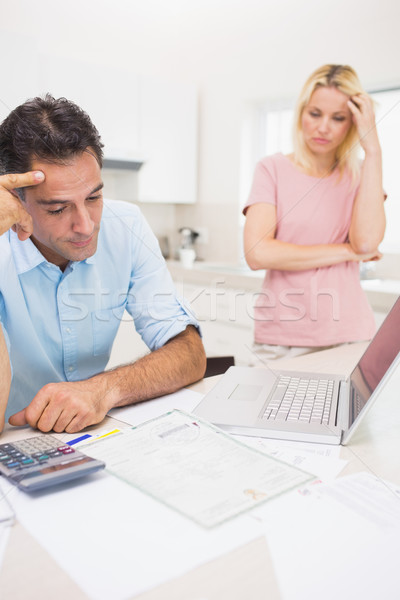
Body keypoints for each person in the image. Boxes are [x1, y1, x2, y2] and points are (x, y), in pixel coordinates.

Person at [0, 94, 206, 434]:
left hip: (90, 436)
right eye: (58, 208)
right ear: (15, 200)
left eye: (93, 197)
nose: (86, 225)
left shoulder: (126, 225)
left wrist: (103, 389)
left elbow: (189, 353)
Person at [243, 64, 386, 362]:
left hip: (351, 335)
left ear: (353, 123)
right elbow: (258, 253)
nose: (323, 128)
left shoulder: (361, 174)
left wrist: (373, 150)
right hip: (282, 340)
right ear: (301, 113)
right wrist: (346, 253)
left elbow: (366, 245)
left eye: (338, 118)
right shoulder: (271, 169)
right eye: (315, 114)